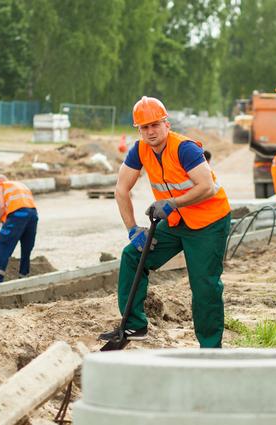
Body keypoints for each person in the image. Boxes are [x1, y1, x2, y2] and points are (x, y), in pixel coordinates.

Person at [99, 96, 232, 348]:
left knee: (204, 285)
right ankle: (134, 325)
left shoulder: (185, 148)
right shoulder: (139, 149)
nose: (150, 132)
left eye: (154, 125)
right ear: (138, 130)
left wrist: (172, 203)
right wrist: (132, 230)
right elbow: (121, 189)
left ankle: (211, 349)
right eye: (144, 127)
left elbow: (208, 187)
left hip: (208, 222)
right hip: (175, 220)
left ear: (166, 124)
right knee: (133, 255)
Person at [0, 175, 39, 283]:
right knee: (26, 247)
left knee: (3, 244)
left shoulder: (0, 185)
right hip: (33, 215)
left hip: (18, 214)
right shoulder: (20, 185)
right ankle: (24, 275)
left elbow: (1, 205)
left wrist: (1, 221)